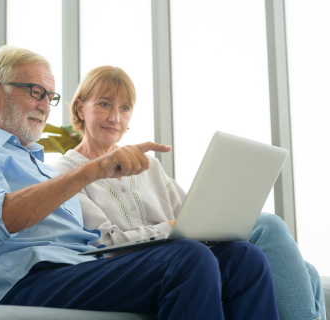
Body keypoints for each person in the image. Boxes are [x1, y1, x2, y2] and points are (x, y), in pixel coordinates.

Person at [0, 45, 279, 320]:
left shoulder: (42, 167)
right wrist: (92, 170)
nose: (45, 105)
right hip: (24, 280)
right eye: (35, 91)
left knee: (242, 258)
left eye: (51, 96)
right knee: (188, 258)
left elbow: (96, 242)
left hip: (83, 266)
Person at [52, 65, 326, 320]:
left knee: (305, 272)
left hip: (191, 259)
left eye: (125, 108)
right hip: (142, 270)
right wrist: (169, 228)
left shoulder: (150, 167)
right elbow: (104, 244)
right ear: (79, 108)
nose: (116, 117)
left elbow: (193, 216)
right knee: (269, 225)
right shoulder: (67, 172)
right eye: (104, 104)